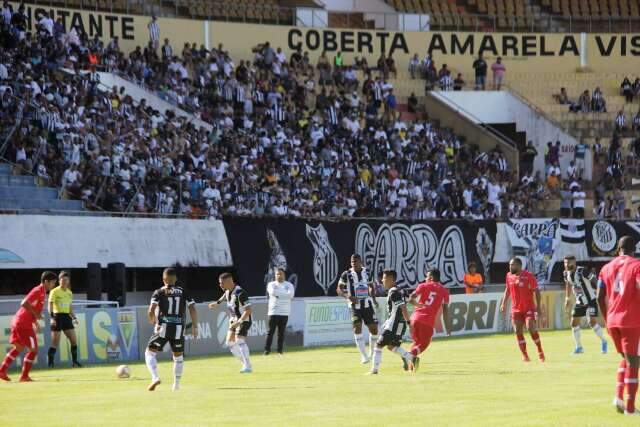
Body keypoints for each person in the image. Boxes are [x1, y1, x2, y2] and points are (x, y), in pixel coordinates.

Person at [597, 236, 640, 416]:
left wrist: (607, 319)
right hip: (632, 319)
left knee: (627, 357)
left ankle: (618, 398)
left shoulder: (606, 268)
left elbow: (599, 296)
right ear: (634, 249)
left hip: (613, 320)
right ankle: (630, 409)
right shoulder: (637, 265)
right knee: (634, 361)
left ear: (618, 249)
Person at [145, 268, 198, 391]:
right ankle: (177, 385)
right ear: (176, 279)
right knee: (178, 357)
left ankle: (155, 377)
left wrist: (154, 321)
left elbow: (150, 310)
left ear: (163, 279)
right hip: (179, 328)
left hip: (163, 327)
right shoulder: (183, 291)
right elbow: (193, 309)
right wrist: (195, 326)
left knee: (150, 353)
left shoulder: (158, 292)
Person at [0, 271, 58, 382]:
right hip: (23, 324)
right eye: (53, 282)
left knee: (19, 348)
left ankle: (2, 370)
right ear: (46, 281)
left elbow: (31, 307)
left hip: (19, 322)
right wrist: (36, 315)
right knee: (33, 350)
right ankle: (24, 376)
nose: (53, 285)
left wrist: (35, 321)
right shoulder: (38, 290)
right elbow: (24, 302)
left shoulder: (42, 292)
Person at [500, 257, 545, 362]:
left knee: (530, 327)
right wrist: (503, 303)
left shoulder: (528, 276)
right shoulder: (509, 276)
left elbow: (536, 291)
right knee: (518, 331)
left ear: (519, 266)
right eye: (510, 265)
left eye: (513, 265)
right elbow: (507, 289)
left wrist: (538, 307)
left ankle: (540, 350)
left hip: (529, 308)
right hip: (515, 309)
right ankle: (525, 356)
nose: (510, 267)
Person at [337, 254, 379, 364]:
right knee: (357, 327)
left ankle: (371, 353)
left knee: (374, 329)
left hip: (367, 304)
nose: (353, 263)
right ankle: (364, 356)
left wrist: (373, 299)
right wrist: (348, 296)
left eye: (355, 261)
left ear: (361, 261)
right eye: (352, 261)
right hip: (354, 305)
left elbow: (371, 286)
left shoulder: (368, 272)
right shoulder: (346, 274)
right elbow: (339, 289)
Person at [369, 269, 413, 374]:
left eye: (383, 278)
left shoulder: (393, 292)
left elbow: (403, 307)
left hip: (393, 324)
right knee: (391, 346)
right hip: (400, 326)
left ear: (390, 279)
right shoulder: (401, 289)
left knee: (378, 345)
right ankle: (410, 357)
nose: (382, 281)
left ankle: (374, 370)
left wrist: (409, 322)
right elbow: (410, 299)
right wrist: (419, 305)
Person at [407, 268, 451, 372]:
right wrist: (447, 327)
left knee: (416, 343)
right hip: (427, 321)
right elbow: (445, 311)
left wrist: (417, 305)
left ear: (431, 277)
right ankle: (408, 355)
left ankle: (411, 367)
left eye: (426, 276)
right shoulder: (444, 291)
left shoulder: (422, 286)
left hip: (414, 319)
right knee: (424, 344)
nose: (425, 278)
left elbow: (410, 299)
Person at [563, 256, 608, 354]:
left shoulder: (582, 271)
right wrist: (567, 298)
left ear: (574, 262)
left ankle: (604, 341)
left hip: (591, 300)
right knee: (573, 323)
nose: (566, 265)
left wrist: (601, 293)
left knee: (591, 322)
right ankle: (579, 347)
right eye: (565, 263)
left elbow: (595, 280)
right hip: (580, 302)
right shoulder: (566, 273)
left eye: (568, 263)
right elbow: (568, 284)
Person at [210, 272, 253, 373]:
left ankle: (247, 366)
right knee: (229, 343)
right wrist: (217, 303)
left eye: (222, 283)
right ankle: (246, 364)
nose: (220, 285)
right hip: (233, 320)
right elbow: (224, 296)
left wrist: (239, 321)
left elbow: (248, 310)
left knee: (239, 341)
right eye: (220, 283)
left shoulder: (240, 293)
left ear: (229, 281)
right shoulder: (228, 291)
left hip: (243, 320)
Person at [47, 271, 81, 368]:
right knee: (55, 342)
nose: (63, 281)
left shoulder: (69, 293)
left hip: (66, 317)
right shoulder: (54, 291)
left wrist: (74, 317)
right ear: (59, 280)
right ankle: (50, 364)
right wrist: (52, 317)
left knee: (74, 340)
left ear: (68, 281)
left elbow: (70, 307)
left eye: (65, 280)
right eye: (62, 279)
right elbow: (49, 306)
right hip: (57, 317)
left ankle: (75, 362)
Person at [264, 268, 295, 355]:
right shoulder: (271, 284)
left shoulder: (289, 285)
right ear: (275, 275)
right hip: (273, 312)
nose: (279, 276)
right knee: (270, 332)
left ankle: (280, 351)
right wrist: (285, 295)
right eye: (277, 274)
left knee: (281, 333)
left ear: (284, 275)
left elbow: (291, 295)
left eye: (280, 274)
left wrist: (278, 295)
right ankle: (267, 350)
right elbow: (272, 292)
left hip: (285, 312)